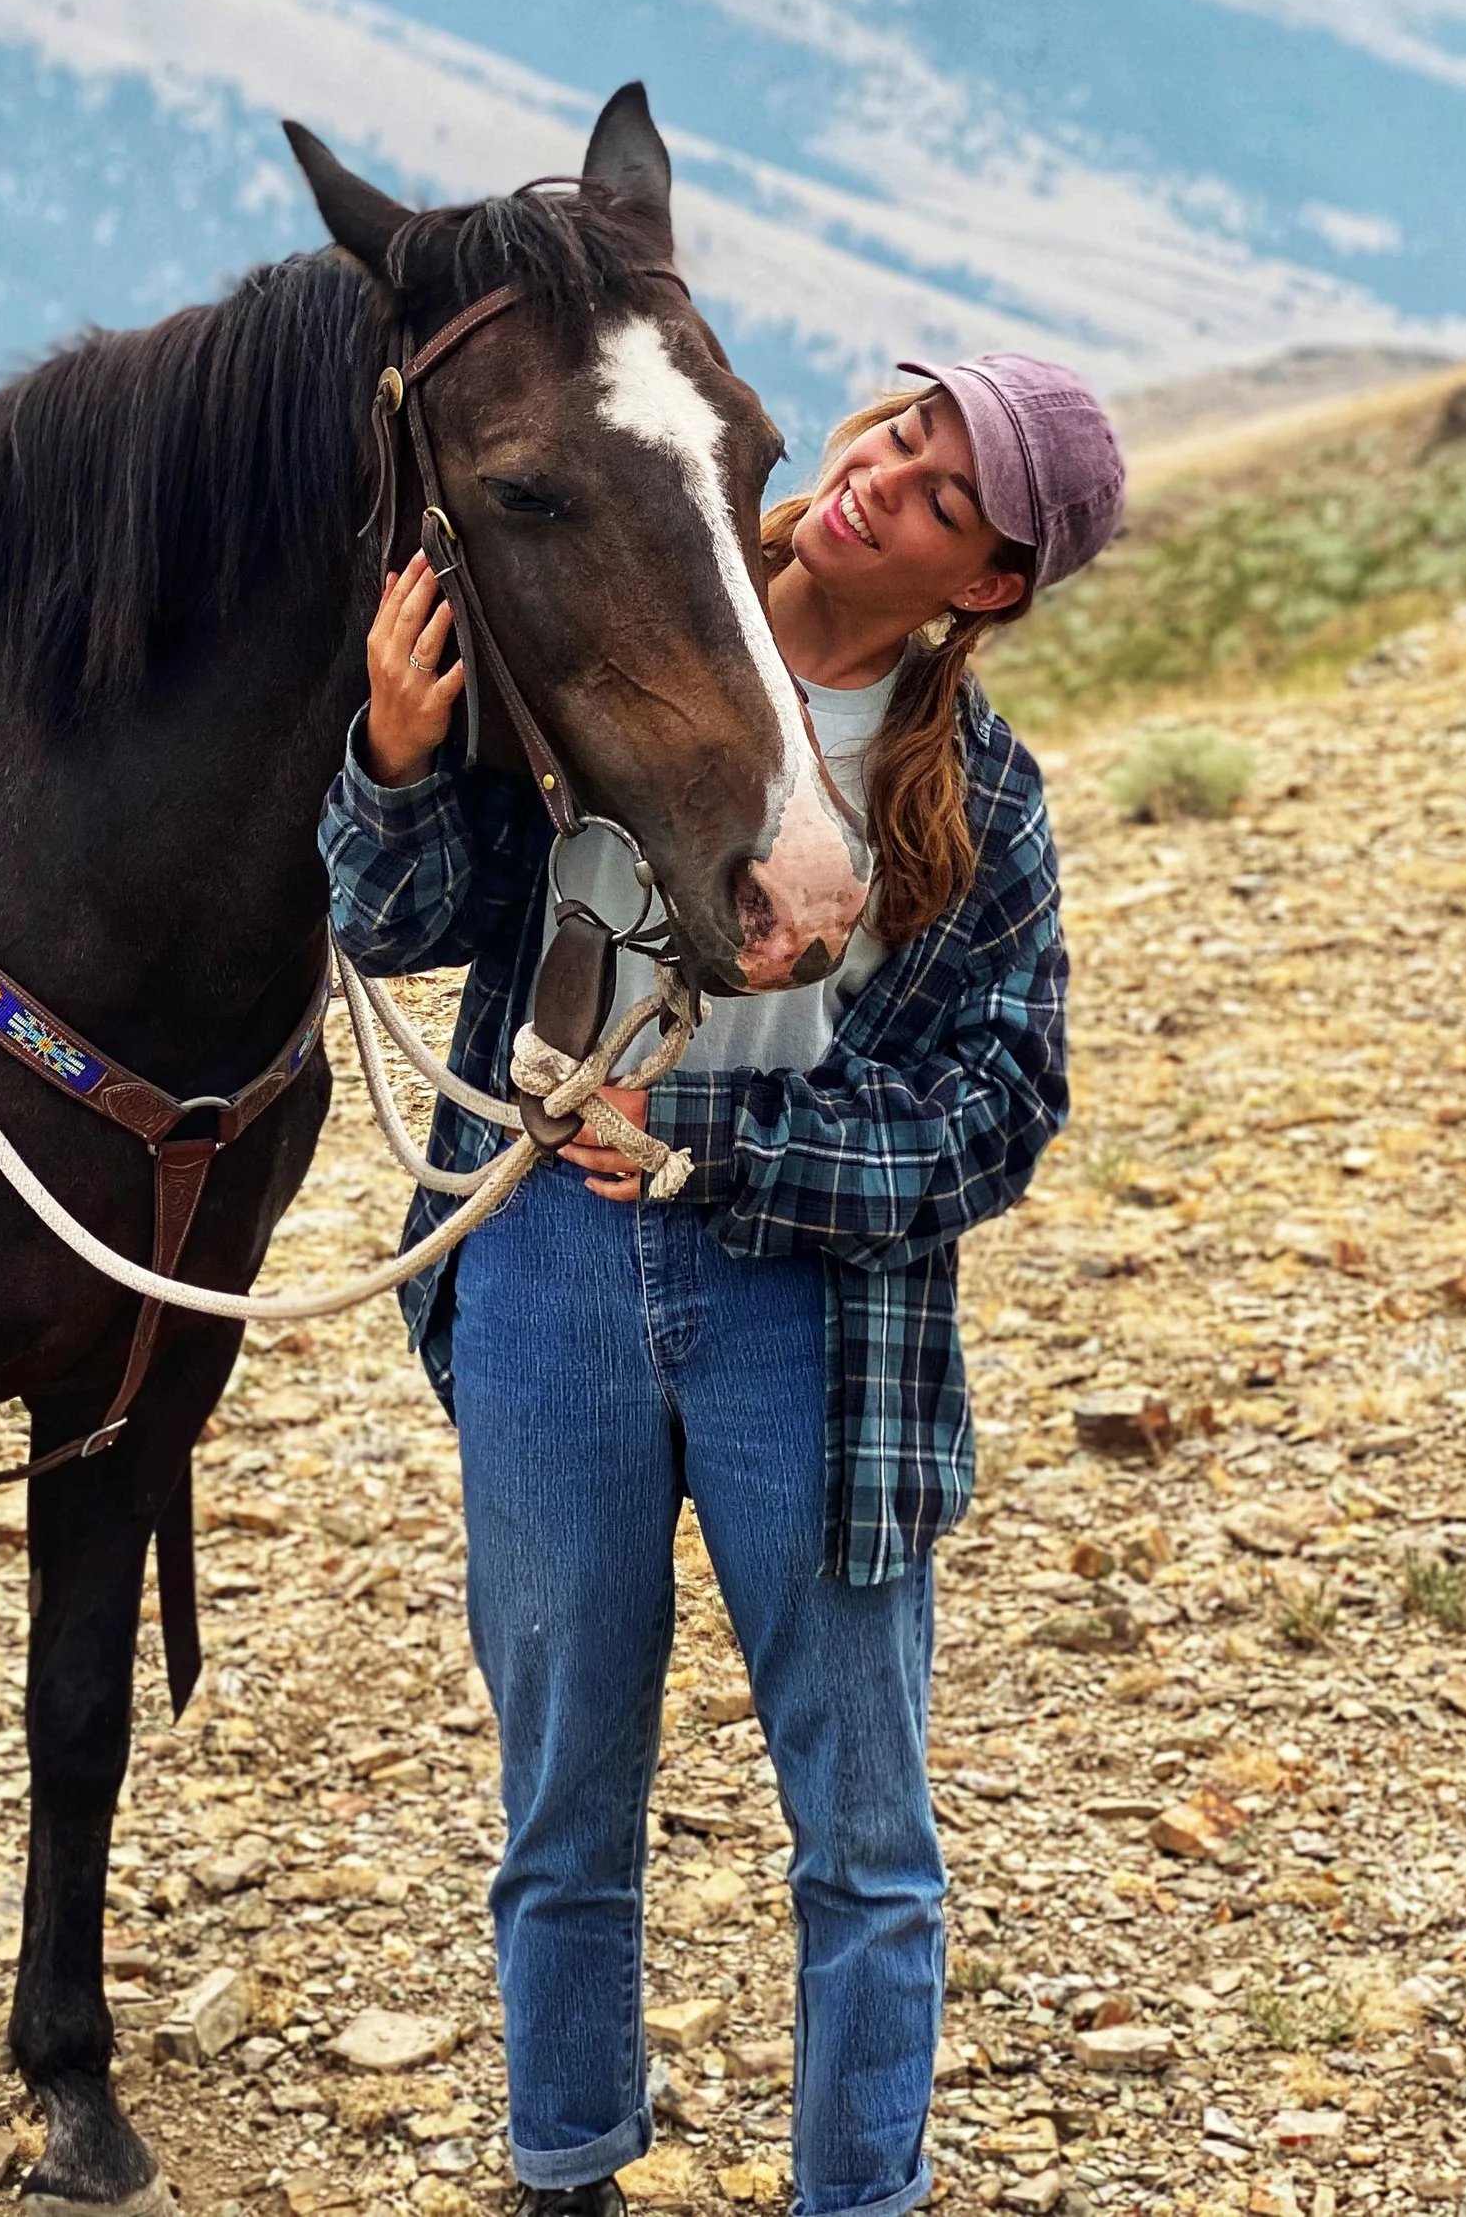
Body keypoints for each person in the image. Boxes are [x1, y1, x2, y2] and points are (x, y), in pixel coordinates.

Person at [321, 353, 1126, 2217]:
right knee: (561, 1808)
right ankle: (566, 2172)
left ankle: (860, 2195)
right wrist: (390, 758)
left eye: (943, 495)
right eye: (901, 431)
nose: (884, 476)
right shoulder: (606, 634)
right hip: (541, 1264)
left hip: (821, 1319)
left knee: (865, 1833)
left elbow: (999, 1114)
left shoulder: (977, 799)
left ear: (989, 584)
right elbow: (394, 920)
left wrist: (736, 1155)